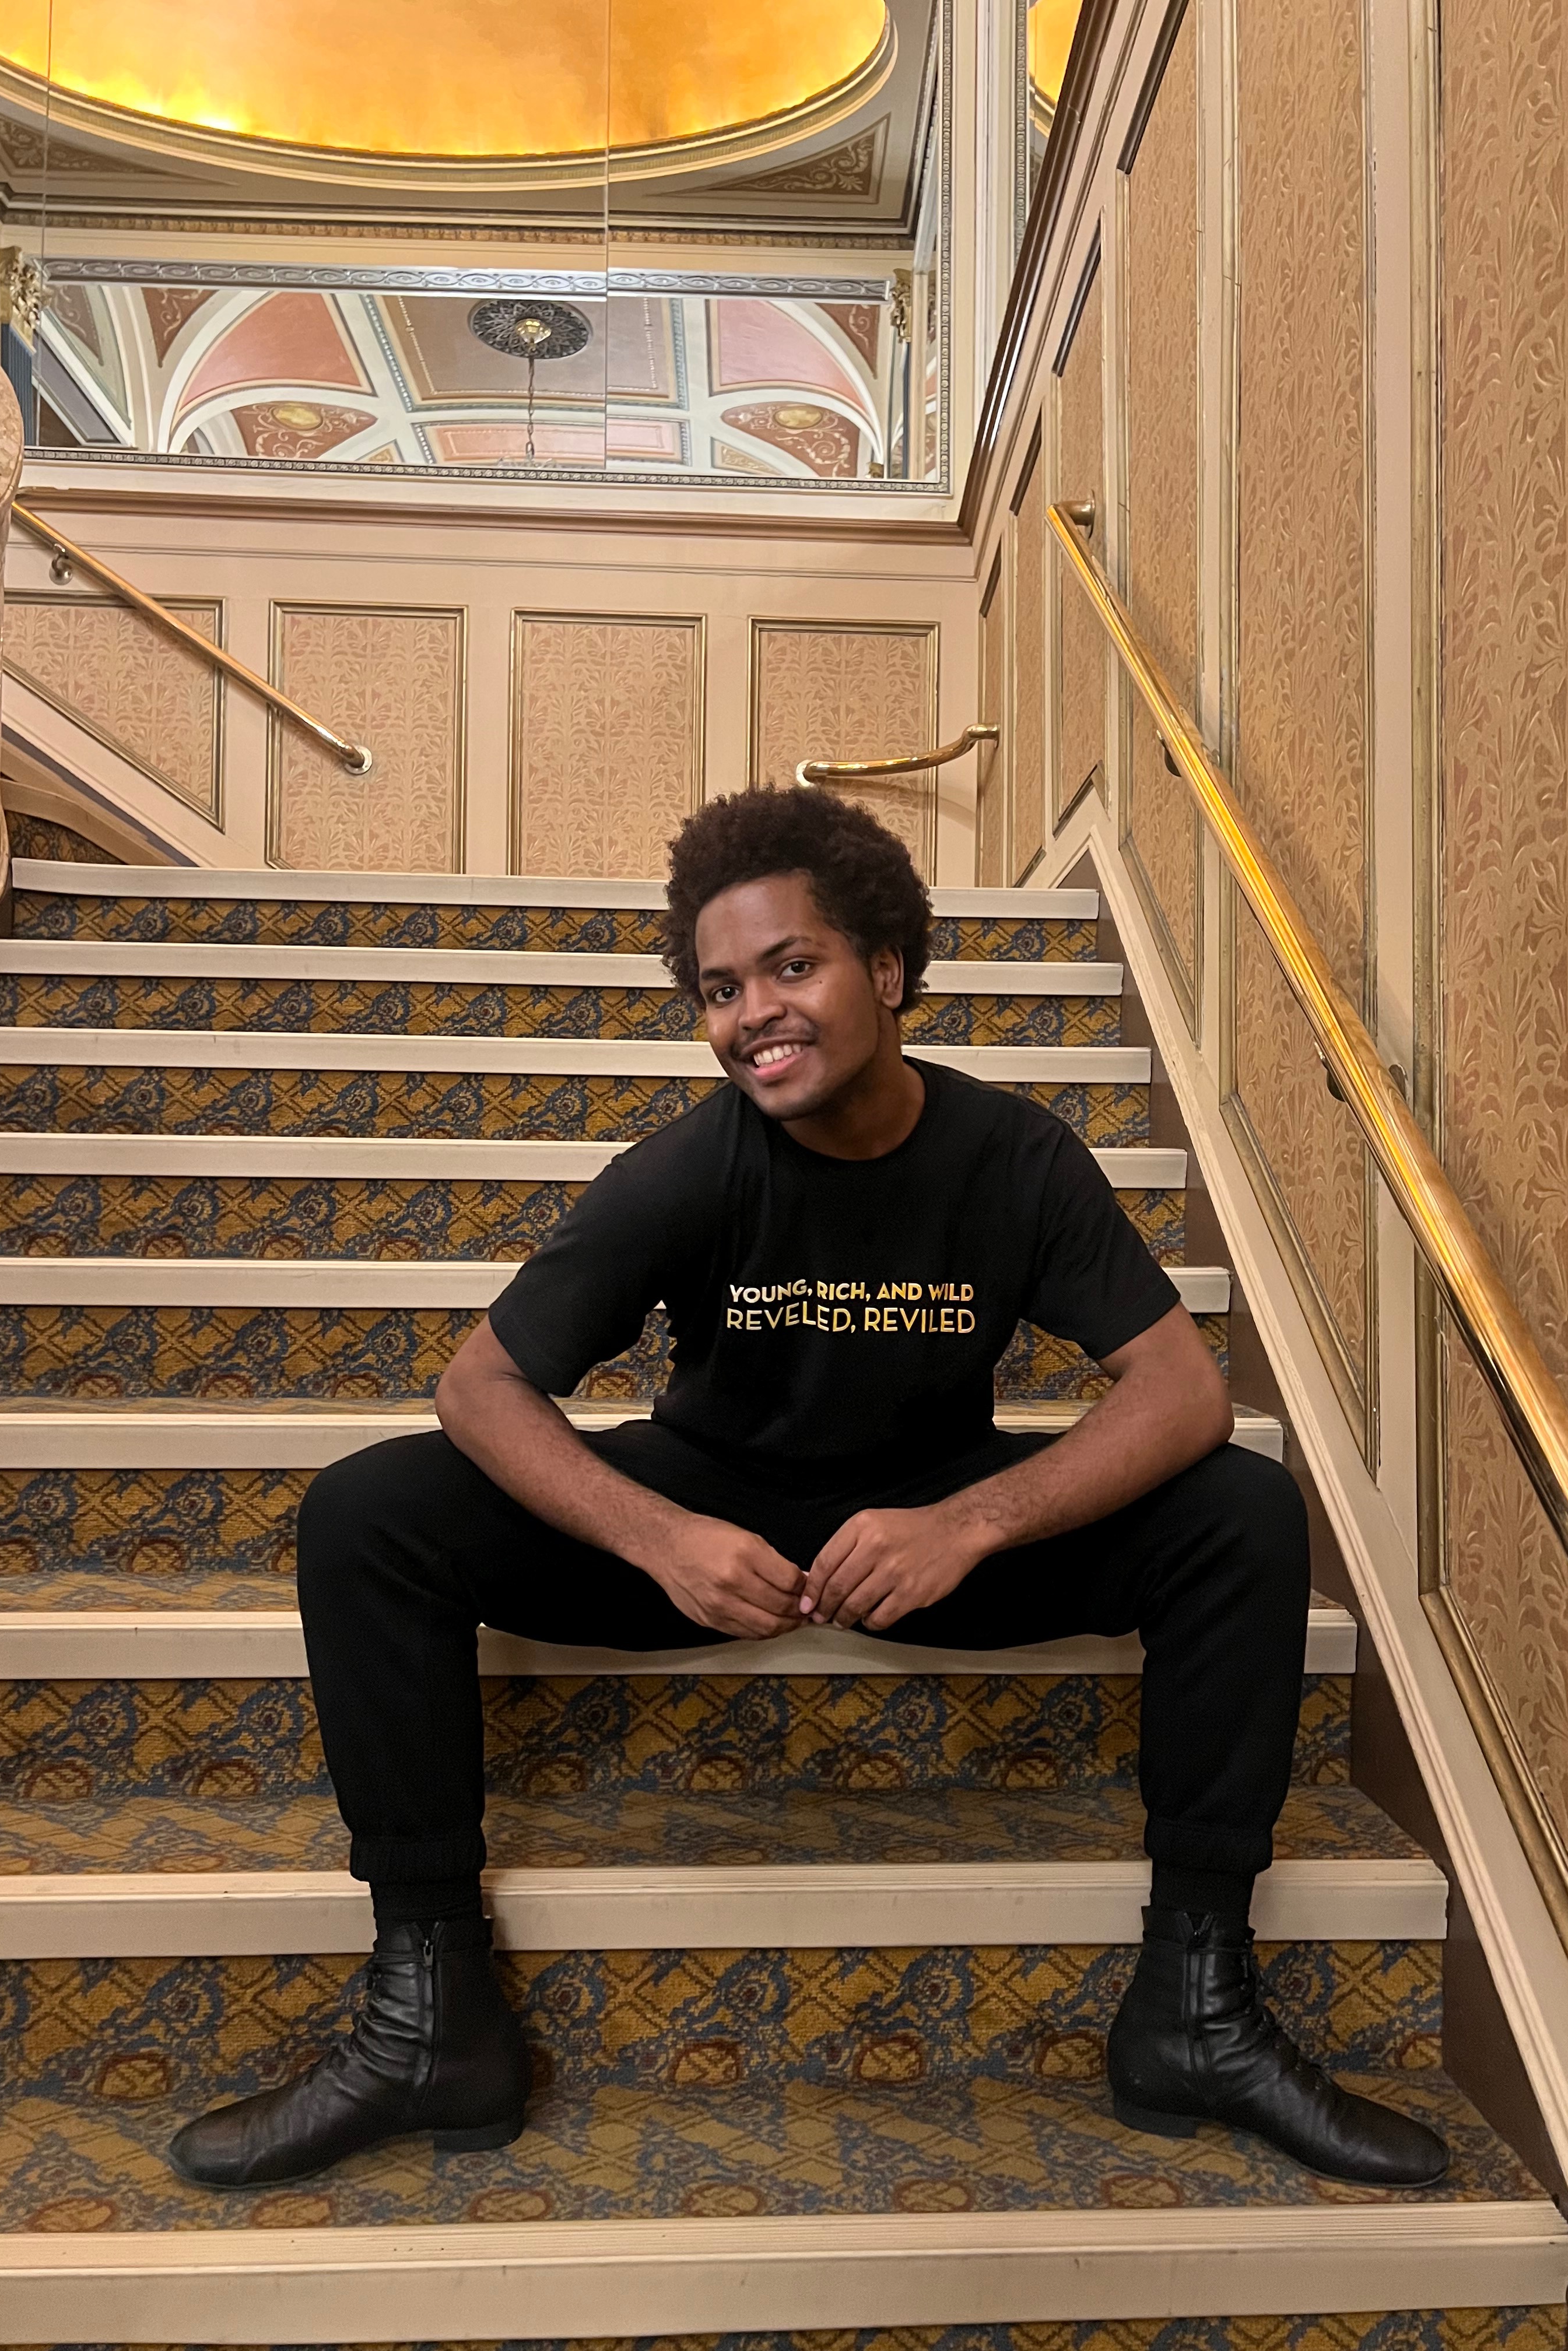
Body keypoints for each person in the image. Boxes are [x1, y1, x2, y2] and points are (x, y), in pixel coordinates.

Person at [167, 787, 1446, 2193]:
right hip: (716, 1516)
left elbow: (1181, 1391)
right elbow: (480, 1388)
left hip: (927, 1524)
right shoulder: (685, 1170)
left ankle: (1194, 2008)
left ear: (886, 970)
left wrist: (971, 1522)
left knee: (1243, 1513)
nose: (752, 1015)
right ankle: (432, 2017)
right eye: (720, 989)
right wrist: (661, 1538)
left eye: (791, 966)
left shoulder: (1014, 1159)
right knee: (366, 1516)